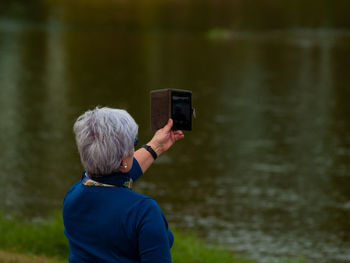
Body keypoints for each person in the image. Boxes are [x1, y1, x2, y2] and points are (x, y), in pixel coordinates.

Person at [63, 107, 184, 263]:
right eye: (134, 143)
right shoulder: (143, 211)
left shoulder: (73, 196)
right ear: (122, 160)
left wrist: (156, 146)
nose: (134, 149)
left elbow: (117, 174)